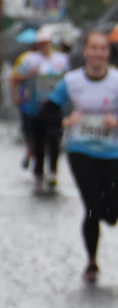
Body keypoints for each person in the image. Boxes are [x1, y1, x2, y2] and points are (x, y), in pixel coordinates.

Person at [50, 33, 118, 283]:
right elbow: (48, 111)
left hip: (111, 152)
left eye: (103, 49)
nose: (98, 53)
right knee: (91, 208)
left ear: (108, 53)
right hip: (80, 151)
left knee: (112, 212)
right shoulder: (71, 81)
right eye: (93, 48)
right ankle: (91, 261)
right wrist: (64, 121)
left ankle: (107, 214)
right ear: (85, 51)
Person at [14, 33, 70, 193]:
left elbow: (68, 79)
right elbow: (16, 77)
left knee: (54, 140)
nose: (44, 46)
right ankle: (39, 171)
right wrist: (27, 79)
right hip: (35, 108)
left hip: (55, 107)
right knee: (38, 141)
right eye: (41, 43)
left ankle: (52, 171)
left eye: (47, 43)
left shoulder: (61, 60)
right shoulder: (29, 60)